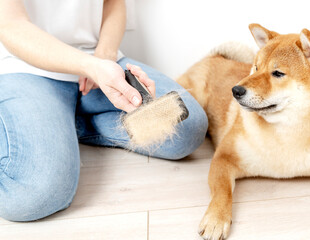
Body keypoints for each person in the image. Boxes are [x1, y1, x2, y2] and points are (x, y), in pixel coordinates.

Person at [0, 0, 208, 222]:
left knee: (186, 125)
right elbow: (11, 24)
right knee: (32, 195)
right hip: (27, 67)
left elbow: (113, 3)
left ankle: (68, 124)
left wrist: (104, 56)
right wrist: (90, 66)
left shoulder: (101, 62)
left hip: (98, 63)